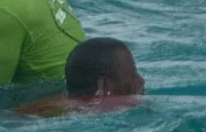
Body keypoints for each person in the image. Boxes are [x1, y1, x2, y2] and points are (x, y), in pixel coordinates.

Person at [17, 37, 145, 116]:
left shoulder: (43, 106)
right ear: (104, 85)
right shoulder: (114, 106)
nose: (141, 80)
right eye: (132, 73)